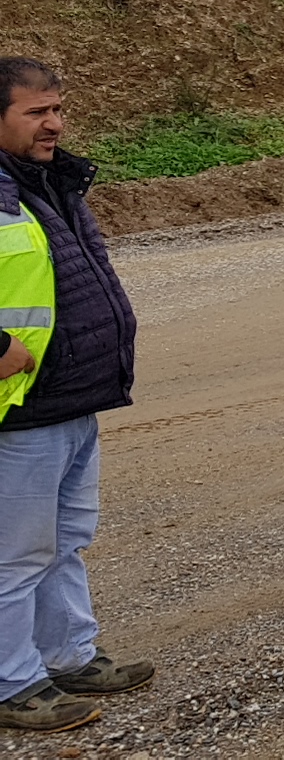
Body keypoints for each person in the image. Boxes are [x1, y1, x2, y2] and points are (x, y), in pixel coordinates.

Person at [0, 59, 153, 735]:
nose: (55, 123)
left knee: (64, 542)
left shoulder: (49, 182)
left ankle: (69, 656)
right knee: (15, 553)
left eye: (57, 108)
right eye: (37, 112)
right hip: (19, 408)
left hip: (70, 396)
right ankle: (14, 682)